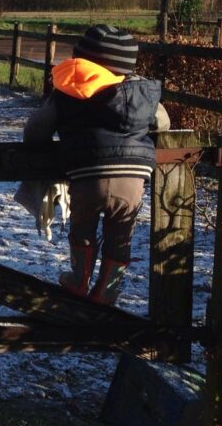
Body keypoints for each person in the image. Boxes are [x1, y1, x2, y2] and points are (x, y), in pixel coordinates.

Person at [23, 24, 169, 306]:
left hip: (88, 173)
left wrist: (41, 148)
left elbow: (35, 130)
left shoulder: (69, 90)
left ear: (82, 58)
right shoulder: (141, 93)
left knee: (83, 229)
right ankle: (107, 291)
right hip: (133, 177)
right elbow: (163, 123)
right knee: (121, 235)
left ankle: (79, 280)